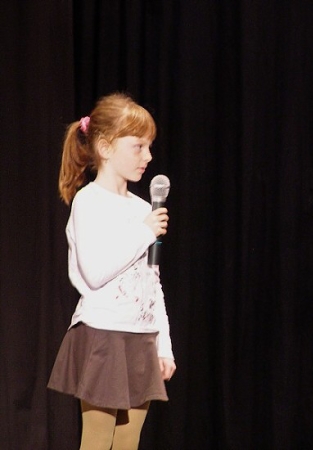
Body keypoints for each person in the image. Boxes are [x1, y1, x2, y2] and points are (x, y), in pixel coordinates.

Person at [48, 92, 176, 450]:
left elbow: (152, 283)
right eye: (138, 146)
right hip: (103, 334)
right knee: (98, 440)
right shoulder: (89, 202)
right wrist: (145, 232)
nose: (148, 156)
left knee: (127, 442)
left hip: (141, 336)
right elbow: (94, 272)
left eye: (149, 147)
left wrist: (163, 344)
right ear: (105, 147)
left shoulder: (141, 208)